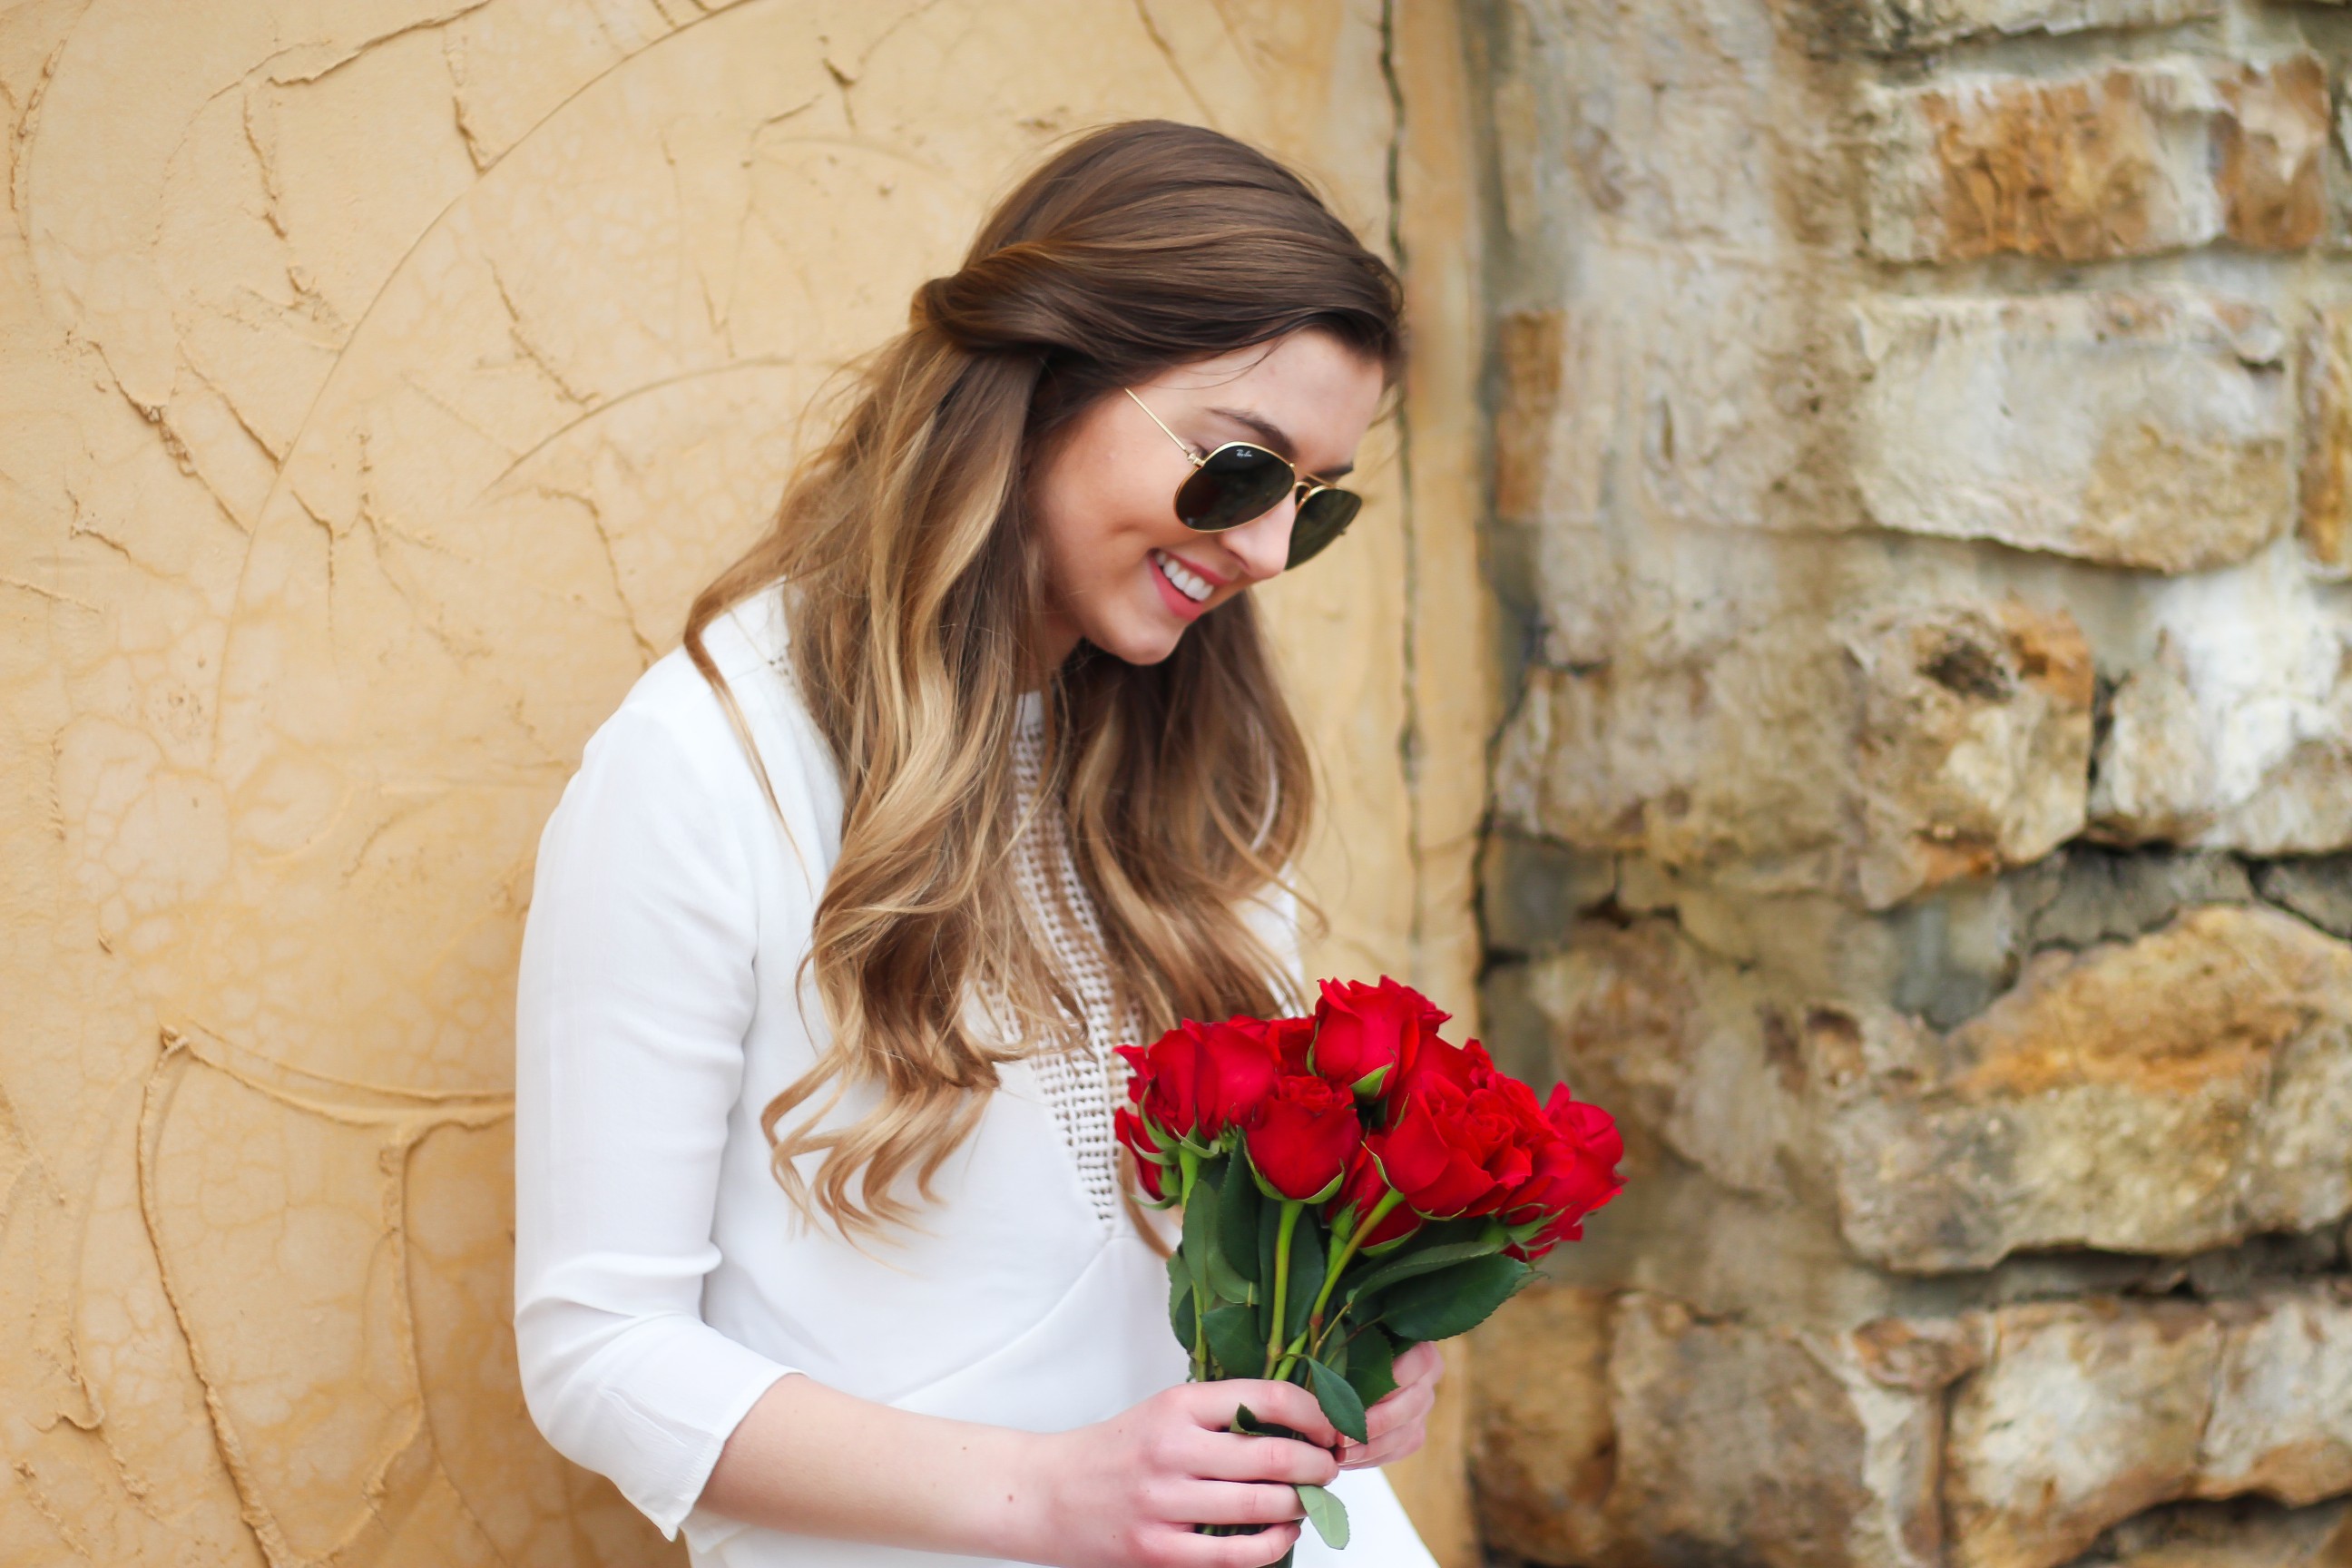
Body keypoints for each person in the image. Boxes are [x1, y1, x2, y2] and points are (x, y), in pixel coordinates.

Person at [511, 120, 1443, 1568]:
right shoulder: (707, 765)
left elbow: (1181, 1274)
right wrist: (1049, 1493)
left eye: (1313, 506)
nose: (1265, 554)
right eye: (1243, 467)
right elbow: (600, 1354)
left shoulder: (1201, 762)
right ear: (1045, 378)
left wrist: (1353, 1348)